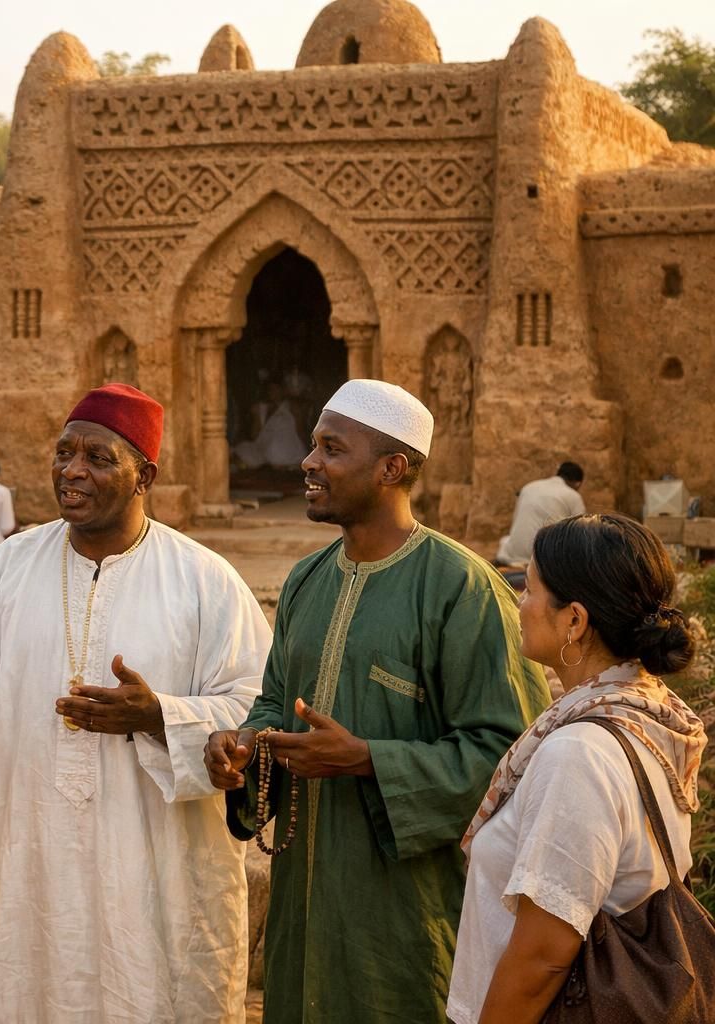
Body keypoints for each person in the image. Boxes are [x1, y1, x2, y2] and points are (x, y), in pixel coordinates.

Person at [0, 383, 272, 1023]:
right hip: (28, 855)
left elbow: (254, 708)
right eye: (65, 453)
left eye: (97, 458)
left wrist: (158, 718)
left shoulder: (204, 581)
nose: (72, 471)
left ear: (144, 474)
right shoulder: (9, 565)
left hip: (156, 876)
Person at [204, 379, 553, 1024]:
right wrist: (246, 747)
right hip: (302, 904)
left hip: (403, 913)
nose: (308, 463)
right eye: (312, 446)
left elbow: (510, 756)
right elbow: (277, 703)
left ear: (393, 467)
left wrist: (369, 759)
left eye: (331, 449)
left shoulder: (462, 588)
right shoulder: (307, 579)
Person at [447, 514, 706, 1024]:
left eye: (531, 589)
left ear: (574, 621)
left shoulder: (580, 752)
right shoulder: (646, 712)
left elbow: (543, 955)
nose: (520, 604)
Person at [493, 462, 587, 566]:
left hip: (515, 553)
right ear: (578, 483)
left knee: (506, 540)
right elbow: (580, 533)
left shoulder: (528, 487)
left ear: (558, 472)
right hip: (544, 556)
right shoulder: (573, 495)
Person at [232, 381, 306, 472]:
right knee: (241, 449)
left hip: (288, 450)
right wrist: (257, 417)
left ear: (283, 391)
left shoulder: (292, 407)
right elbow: (255, 436)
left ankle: (284, 464)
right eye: (271, 390)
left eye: (276, 389)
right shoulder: (261, 408)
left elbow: (300, 431)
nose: (273, 392)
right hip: (265, 449)